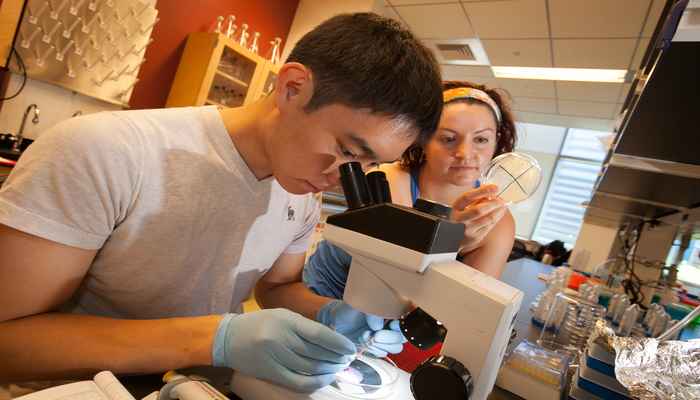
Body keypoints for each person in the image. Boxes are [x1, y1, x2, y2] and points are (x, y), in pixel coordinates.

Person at [0, 12, 443, 397]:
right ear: (292, 88)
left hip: (196, 387)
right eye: (348, 151)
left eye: (369, 165)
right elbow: (8, 340)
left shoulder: (300, 191)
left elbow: (277, 288)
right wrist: (213, 338)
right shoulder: (106, 152)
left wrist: (327, 313)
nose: (344, 179)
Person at [304, 80, 519, 305]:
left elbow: (462, 306)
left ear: (497, 142)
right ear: (423, 141)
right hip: (321, 296)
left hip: (395, 321)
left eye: (481, 139)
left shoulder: (498, 222)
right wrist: (449, 242)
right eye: (448, 139)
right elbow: (389, 284)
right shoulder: (386, 182)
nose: (465, 153)